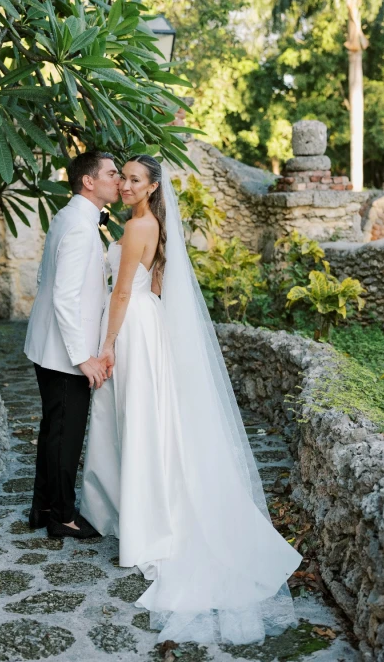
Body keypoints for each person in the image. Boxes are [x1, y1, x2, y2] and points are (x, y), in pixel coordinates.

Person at [80, 154, 303, 646]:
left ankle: (146, 519)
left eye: (136, 180)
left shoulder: (141, 226)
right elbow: (153, 282)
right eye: (126, 179)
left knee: (138, 420)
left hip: (132, 327)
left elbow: (121, 294)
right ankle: (135, 507)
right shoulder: (144, 223)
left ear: (153, 185)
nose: (128, 185)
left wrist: (108, 344)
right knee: (142, 420)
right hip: (145, 322)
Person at [24, 150, 120, 539]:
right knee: (65, 435)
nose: (118, 180)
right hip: (65, 354)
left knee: (53, 430)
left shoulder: (71, 216)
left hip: (47, 345)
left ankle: (42, 506)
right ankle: (62, 517)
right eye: (112, 174)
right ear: (89, 181)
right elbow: (64, 296)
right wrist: (84, 358)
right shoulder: (80, 227)